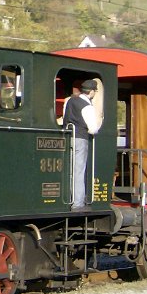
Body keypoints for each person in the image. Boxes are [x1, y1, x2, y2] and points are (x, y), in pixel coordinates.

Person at [63, 79, 102, 210]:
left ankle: (68, 198)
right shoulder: (87, 106)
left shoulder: (70, 101)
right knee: (79, 171)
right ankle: (78, 203)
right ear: (91, 92)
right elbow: (93, 128)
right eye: (95, 91)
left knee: (69, 170)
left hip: (68, 137)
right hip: (80, 138)